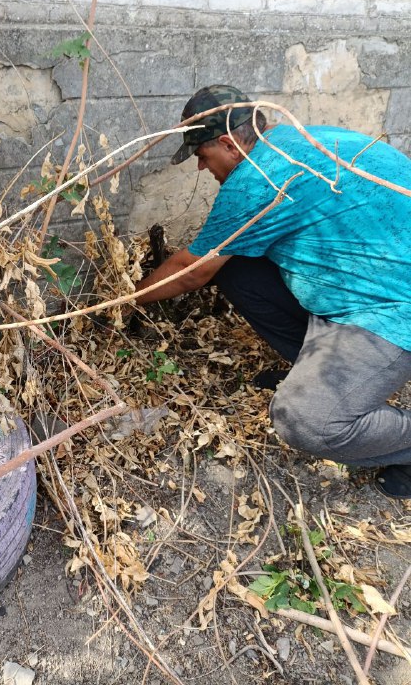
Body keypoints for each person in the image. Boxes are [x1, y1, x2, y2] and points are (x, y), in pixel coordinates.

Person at [134, 85, 411, 499]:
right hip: (367, 282)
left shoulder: (255, 181)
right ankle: (317, 372)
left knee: (306, 421)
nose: (200, 169)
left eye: (201, 156)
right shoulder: (293, 139)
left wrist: (123, 300)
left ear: (228, 144)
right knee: (235, 268)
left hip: (388, 310)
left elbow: (189, 273)